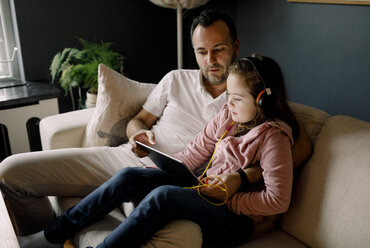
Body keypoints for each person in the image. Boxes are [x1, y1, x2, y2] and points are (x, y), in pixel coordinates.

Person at [0, 9, 311, 247]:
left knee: (165, 198)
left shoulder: (264, 121)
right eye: (202, 51)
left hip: (228, 209)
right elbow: (194, 151)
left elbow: (282, 180)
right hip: (171, 173)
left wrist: (236, 186)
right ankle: (54, 235)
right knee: (130, 175)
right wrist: (162, 159)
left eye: (219, 49)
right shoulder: (214, 102)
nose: (210, 59)